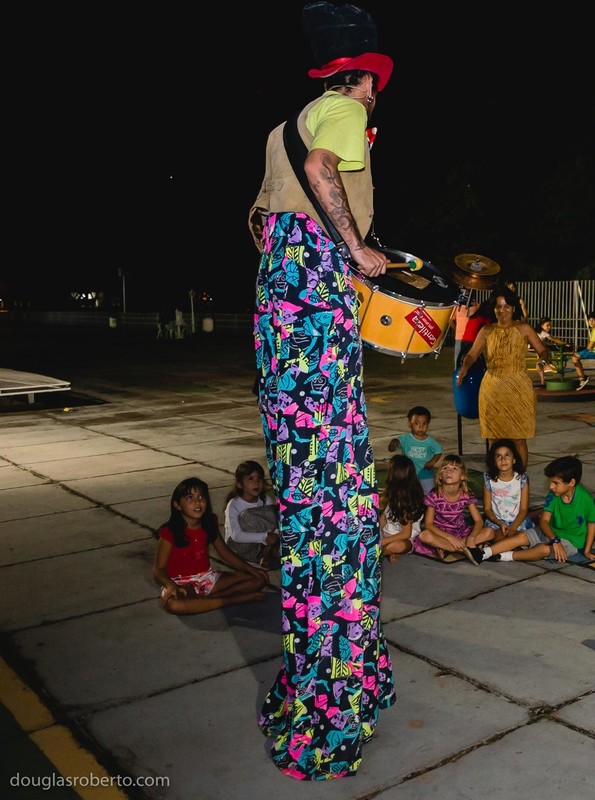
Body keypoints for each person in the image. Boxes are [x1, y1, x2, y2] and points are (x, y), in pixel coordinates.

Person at [248, 2, 394, 778]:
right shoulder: (339, 109)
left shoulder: (284, 123)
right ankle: (335, 705)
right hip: (313, 324)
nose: (376, 101)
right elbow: (321, 174)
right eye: (376, 85)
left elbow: (275, 214)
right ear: (362, 76)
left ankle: (324, 681)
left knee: (312, 497)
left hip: (282, 322)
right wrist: (356, 249)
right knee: (339, 504)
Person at [456, 287, 552, 467]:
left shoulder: (524, 328)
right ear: (493, 309)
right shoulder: (486, 330)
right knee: (493, 438)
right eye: (498, 307)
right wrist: (465, 368)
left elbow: (543, 350)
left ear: (514, 308)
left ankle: (520, 480)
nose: (502, 311)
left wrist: (542, 362)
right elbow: (471, 355)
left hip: (518, 388)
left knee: (519, 438)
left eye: (507, 306)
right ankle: (496, 479)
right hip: (492, 388)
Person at [154, 477, 268, 615]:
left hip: (207, 578)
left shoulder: (209, 522)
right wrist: (171, 585)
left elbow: (224, 552)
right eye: (190, 497)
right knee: (175, 605)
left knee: (260, 579)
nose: (197, 502)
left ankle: (206, 601)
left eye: (201, 496)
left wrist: (251, 569)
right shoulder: (169, 532)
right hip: (180, 582)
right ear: (177, 505)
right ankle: (232, 600)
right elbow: (158, 570)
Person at [476, 455, 595, 563]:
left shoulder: (585, 499)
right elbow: (544, 521)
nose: (551, 486)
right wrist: (554, 539)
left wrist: (587, 550)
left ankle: (505, 556)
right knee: (521, 536)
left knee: (543, 550)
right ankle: (484, 553)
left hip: (571, 541)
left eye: (555, 483)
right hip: (551, 532)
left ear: (571, 482)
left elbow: (592, 524)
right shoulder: (554, 495)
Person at [414, 455, 485, 560]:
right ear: (440, 476)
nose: (449, 471)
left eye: (454, 468)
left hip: (461, 533)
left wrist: (471, 538)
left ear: (463, 476)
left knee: (489, 532)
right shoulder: (434, 495)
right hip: (440, 534)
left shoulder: (466, 495)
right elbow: (428, 524)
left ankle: (447, 547)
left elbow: (478, 521)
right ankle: (464, 550)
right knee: (425, 535)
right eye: (445, 468)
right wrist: (450, 538)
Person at [476, 438, 535, 547]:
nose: (503, 459)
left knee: (523, 537)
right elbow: (487, 509)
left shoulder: (522, 479)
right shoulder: (489, 480)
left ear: (514, 459)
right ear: (494, 461)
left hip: (518, 522)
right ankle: (499, 545)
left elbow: (523, 509)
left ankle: (497, 547)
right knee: (494, 534)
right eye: (498, 456)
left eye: (507, 455)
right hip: (496, 522)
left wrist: (513, 528)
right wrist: (500, 523)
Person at [222, 460, 280, 567]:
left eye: (259, 478)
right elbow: (236, 536)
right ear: (239, 484)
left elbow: (276, 522)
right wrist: (265, 537)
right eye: (250, 479)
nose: (256, 482)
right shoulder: (234, 504)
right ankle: (268, 551)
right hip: (239, 547)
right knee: (248, 515)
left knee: (275, 511)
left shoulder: (265, 499)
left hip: (263, 543)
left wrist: (275, 535)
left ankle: (268, 551)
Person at [388, 405, 442, 495]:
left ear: (428, 424)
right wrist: (393, 444)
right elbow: (392, 448)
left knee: (429, 495)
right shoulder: (405, 439)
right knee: (408, 493)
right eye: (416, 424)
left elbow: (438, 451)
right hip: (408, 473)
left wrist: (432, 462)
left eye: (424, 424)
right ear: (410, 423)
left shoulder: (430, 441)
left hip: (425, 474)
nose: (420, 427)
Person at [380, 454, 422, 561]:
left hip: (404, 538)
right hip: (387, 534)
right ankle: (387, 551)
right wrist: (377, 534)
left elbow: (406, 533)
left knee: (398, 546)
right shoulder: (392, 494)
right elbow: (383, 518)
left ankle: (384, 551)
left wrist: (383, 541)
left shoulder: (408, 503)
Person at [571, 311, 595, 390]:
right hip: (593, 350)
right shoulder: (594, 330)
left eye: (593, 320)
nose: (591, 322)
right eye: (589, 320)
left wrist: (587, 345)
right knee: (574, 354)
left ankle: (582, 379)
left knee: (574, 358)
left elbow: (589, 347)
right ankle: (582, 376)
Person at [533, 317, 568, 386]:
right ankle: (547, 365)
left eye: (550, 325)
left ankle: (543, 379)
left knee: (541, 360)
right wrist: (565, 343)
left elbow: (543, 341)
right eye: (547, 325)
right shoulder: (542, 332)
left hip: (532, 347)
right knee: (546, 351)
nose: (549, 327)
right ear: (541, 325)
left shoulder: (537, 331)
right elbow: (554, 339)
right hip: (536, 347)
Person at [452, 296, 483, 366]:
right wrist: (456, 329)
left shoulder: (477, 306)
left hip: (472, 337)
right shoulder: (457, 306)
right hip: (459, 337)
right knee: (458, 359)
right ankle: (457, 374)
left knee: (472, 358)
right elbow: (451, 319)